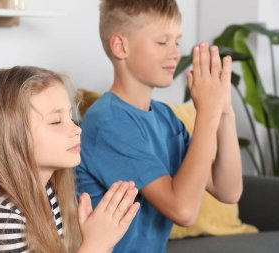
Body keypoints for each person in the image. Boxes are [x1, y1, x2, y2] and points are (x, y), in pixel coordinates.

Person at [75, 0, 243, 252]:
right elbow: (183, 211)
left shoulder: (165, 117)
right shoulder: (108, 123)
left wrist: (224, 111)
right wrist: (207, 113)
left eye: (176, 41)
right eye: (162, 42)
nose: (176, 52)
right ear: (121, 46)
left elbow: (227, 191)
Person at [0, 66, 140, 253]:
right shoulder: (1, 217)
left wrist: (105, 240)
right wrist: (95, 245)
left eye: (71, 117)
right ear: (10, 138)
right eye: (56, 121)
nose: (76, 129)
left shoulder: (45, 193)